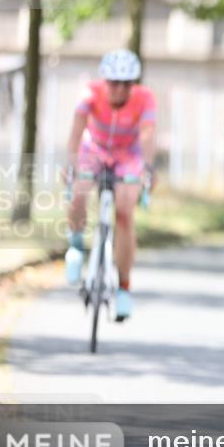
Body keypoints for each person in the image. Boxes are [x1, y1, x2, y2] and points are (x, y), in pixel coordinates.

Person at [64, 49, 156, 321]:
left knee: (125, 212)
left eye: (126, 83)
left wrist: (148, 168)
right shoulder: (90, 93)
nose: (119, 89)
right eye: (114, 83)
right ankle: (76, 245)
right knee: (79, 192)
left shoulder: (145, 97)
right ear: (104, 81)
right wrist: (70, 163)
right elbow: (77, 128)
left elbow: (148, 134)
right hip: (94, 150)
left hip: (128, 155)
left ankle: (124, 287)